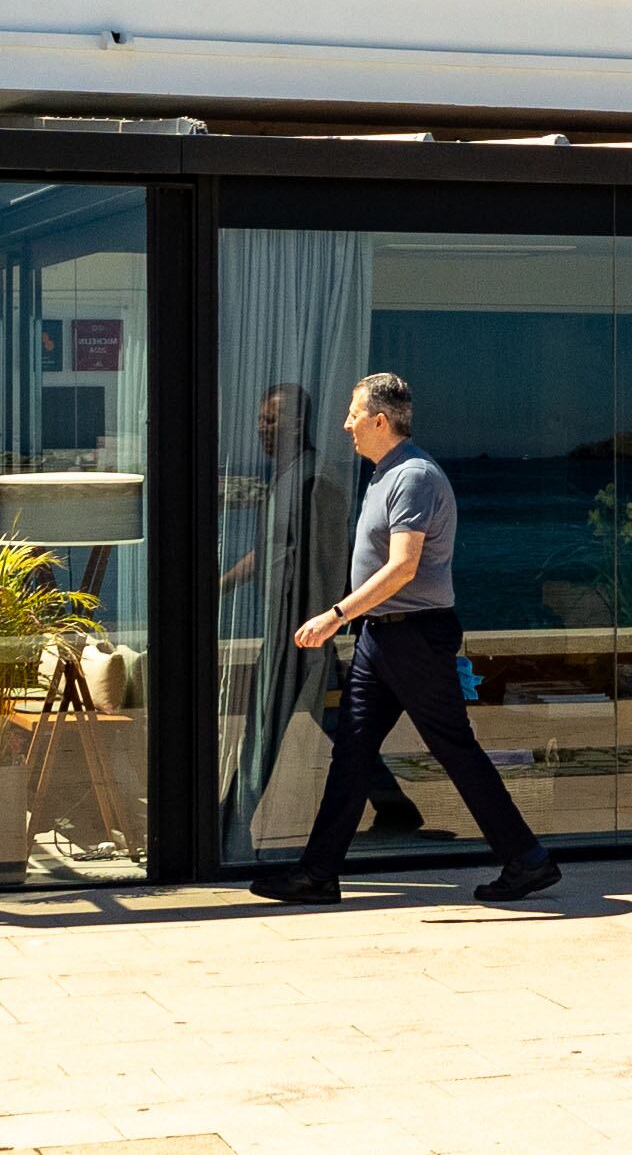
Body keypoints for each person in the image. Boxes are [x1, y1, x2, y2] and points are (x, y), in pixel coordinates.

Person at [245, 372, 561, 907]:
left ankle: (527, 859)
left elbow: (403, 567)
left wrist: (335, 616)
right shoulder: (383, 474)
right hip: (381, 636)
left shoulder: (413, 476)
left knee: (453, 749)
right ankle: (318, 874)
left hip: (412, 636)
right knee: (352, 751)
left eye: (352, 414)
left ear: (379, 421)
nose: (345, 425)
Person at [222, 380, 430, 841]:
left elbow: (330, 560)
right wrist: (220, 586)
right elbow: (272, 552)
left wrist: (324, 623)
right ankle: (395, 806)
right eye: (261, 418)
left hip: (301, 633)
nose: (262, 427)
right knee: (339, 724)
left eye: (272, 419)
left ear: (297, 423)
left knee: (265, 727)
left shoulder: (317, 481)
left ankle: (228, 825)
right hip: (294, 630)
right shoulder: (287, 475)